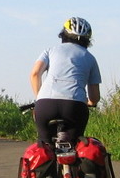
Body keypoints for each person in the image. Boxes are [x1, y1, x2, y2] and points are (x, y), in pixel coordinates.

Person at [29, 16, 101, 146]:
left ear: (63, 34)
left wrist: (39, 98)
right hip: (75, 107)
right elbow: (94, 97)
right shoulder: (90, 58)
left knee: (44, 146)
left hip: (45, 105)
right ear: (87, 40)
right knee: (75, 146)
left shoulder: (50, 51)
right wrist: (89, 102)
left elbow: (35, 74)